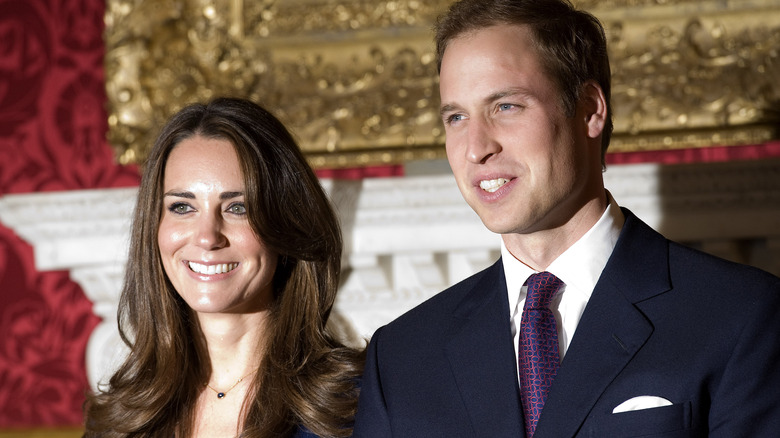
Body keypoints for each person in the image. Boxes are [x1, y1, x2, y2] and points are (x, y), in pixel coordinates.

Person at [353, 0, 780, 436]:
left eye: (506, 107)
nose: (475, 148)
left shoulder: (741, 316)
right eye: (457, 117)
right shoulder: (402, 356)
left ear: (591, 109)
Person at [83, 97, 363, 437]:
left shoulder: (357, 405)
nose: (207, 237)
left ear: (286, 224)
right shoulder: (119, 420)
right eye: (183, 207)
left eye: (238, 208)